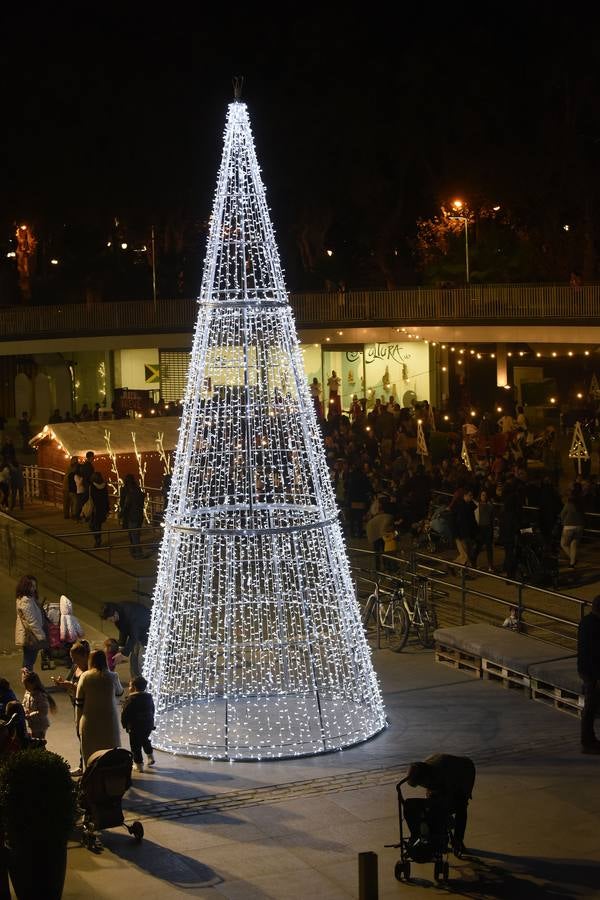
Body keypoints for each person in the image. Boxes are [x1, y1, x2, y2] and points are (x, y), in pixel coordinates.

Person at [405, 754, 476, 856]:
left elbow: (447, 795)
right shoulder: (424, 769)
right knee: (434, 805)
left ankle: (458, 841)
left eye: (421, 783)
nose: (422, 785)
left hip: (464, 772)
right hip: (442, 773)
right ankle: (439, 837)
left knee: (461, 806)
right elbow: (430, 790)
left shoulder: (445, 774)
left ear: (425, 777)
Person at [75, 649, 122, 770]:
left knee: (90, 755)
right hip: (109, 723)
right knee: (110, 754)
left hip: (89, 722)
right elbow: (120, 693)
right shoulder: (112, 676)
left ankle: (92, 781)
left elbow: (79, 702)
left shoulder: (85, 677)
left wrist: (77, 723)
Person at [52, 639, 90, 775]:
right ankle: (83, 765)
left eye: (76, 658)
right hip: (76, 705)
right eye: (72, 658)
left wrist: (70, 686)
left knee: (85, 737)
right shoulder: (76, 667)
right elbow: (69, 680)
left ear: (84, 656)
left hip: (87, 707)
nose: (74, 661)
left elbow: (86, 690)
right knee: (80, 736)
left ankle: (87, 766)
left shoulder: (90, 670)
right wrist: (62, 682)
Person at [100, 601, 151, 678]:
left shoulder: (130, 615)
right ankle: (135, 682)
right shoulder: (118, 614)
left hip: (148, 632)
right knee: (134, 661)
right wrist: (121, 645)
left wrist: (123, 653)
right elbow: (123, 630)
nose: (111, 622)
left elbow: (134, 636)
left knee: (141, 661)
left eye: (110, 620)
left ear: (115, 614)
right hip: (137, 633)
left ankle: (142, 684)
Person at [577, 595, 600, 754]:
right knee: (591, 706)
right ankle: (587, 741)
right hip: (593, 672)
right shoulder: (595, 625)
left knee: (590, 707)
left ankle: (588, 740)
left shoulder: (586, 622)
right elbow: (595, 652)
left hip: (586, 669)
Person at [121, 675, 156, 773]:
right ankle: (150, 756)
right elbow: (152, 709)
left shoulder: (130, 700)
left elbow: (125, 714)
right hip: (148, 725)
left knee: (135, 745)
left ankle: (138, 764)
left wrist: (125, 725)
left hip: (135, 726)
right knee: (145, 740)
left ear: (134, 687)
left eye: (130, 686)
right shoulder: (149, 697)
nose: (129, 688)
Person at [15, 575, 46, 670]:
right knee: (28, 662)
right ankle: (28, 682)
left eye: (35, 585)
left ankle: (28, 681)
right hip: (31, 636)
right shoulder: (26, 601)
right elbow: (31, 622)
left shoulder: (29, 599)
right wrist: (41, 636)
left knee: (29, 662)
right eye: (31, 586)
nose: (34, 588)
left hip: (31, 635)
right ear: (25, 586)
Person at [21, 670, 56, 740]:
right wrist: (24, 710)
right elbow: (23, 703)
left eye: (27, 685)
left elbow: (43, 712)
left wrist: (30, 715)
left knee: (38, 743)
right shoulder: (28, 693)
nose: (25, 687)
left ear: (34, 684)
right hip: (32, 723)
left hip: (40, 724)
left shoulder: (40, 695)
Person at [118, 473, 146, 558]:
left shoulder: (125, 490)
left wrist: (121, 513)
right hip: (139, 514)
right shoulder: (138, 490)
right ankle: (134, 550)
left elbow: (123, 503)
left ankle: (137, 552)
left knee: (133, 534)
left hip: (130, 515)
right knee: (136, 533)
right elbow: (141, 503)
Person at [560, 490, 585, 569]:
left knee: (563, 544)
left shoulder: (568, 504)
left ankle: (573, 559)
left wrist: (563, 522)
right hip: (580, 526)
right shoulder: (581, 504)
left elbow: (562, 514)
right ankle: (572, 563)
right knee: (574, 544)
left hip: (569, 526)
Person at [89, 471, 109, 547]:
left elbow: (90, 497)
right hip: (102, 508)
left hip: (95, 508)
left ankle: (97, 539)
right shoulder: (104, 486)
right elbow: (106, 498)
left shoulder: (92, 486)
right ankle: (98, 538)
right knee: (98, 525)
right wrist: (107, 509)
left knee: (92, 525)